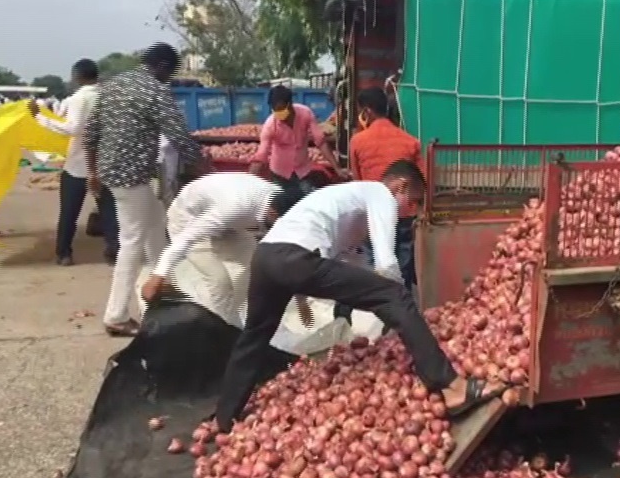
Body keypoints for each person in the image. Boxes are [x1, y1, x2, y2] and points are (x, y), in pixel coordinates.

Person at [214, 160, 505, 432]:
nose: (410, 211)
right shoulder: (380, 194)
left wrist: (387, 311)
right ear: (399, 187)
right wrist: (402, 306)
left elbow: (357, 270)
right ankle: (452, 386)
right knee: (395, 294)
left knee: (254, 335)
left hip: (266, 257)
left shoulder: (351, 200)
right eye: (412, 202)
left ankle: (225, 417)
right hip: (296, 257)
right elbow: (386, 263)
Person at [83, 42, 207, 337]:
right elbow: (178, 134)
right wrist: (205, 169)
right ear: (163, 66)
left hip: (110, 171)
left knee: (155, 226)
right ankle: (116, 315)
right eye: (170, 72)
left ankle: (165, 284)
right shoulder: (154, 90)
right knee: (133, 239)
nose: (169, 79)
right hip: (131, 176)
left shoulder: (112, 85)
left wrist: (93, 171)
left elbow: (90, 132)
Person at [139, 173, 305, 320]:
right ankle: (225, 331)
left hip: (227, 221)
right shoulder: (236, 208)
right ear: (273, 213)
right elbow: (185, 239)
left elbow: (286, 254)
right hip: (188, 221)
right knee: (219, 281)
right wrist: (157, 277)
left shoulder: (276, 196)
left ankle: (233, 314)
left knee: (258, 265)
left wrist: (301, 300)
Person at [29, 59, 119, 266]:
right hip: (106, 163)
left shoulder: (80, 98)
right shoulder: (111, 98)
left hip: (79, 164)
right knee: (109, 211)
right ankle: (114, 251)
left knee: (69, 211)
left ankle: (64, 253)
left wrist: (40, 119)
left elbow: (74, 129)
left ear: (76, 77)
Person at [348, 86, 422, 290]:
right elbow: (421, 181)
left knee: (376, 264)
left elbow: (358, 181)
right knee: (403, 264)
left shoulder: (358, 142)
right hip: (405, 213)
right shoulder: (411, 142)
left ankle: (379, 307)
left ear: (367, 112)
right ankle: (402, 305)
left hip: (375, 214)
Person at [251, 85, 346, 195]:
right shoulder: (270, 125)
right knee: (282, 205)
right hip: (280, 173)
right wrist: (249, 181)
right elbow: (261, 155)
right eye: (275, 110)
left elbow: (320, 141)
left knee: (307, 199)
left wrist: (337, 168)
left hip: (303, 171)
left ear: (290, 104)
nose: (278, 114)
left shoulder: (305, 114)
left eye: (281, 109)